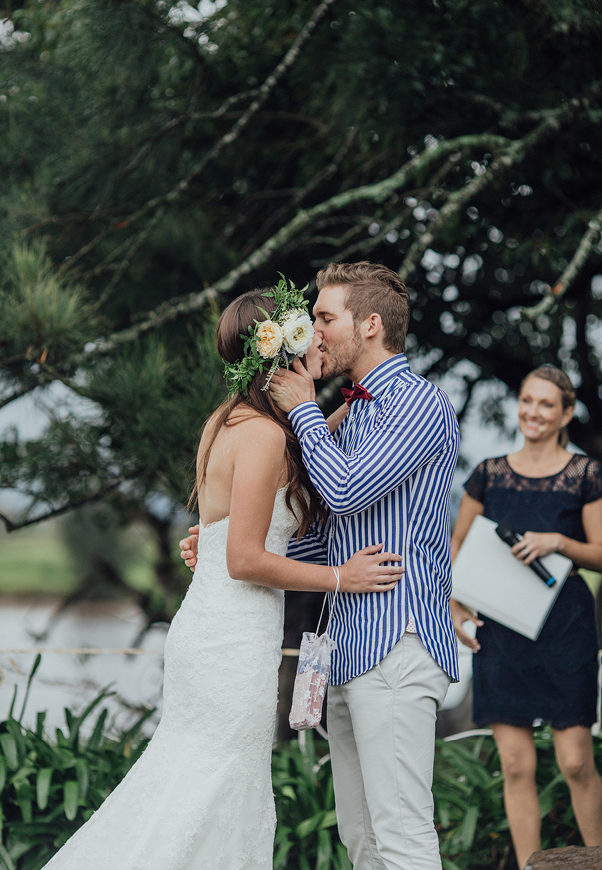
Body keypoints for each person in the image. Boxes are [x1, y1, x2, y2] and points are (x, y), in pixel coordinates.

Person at [41, 282, 403, 870]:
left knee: (195, 790)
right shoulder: (260, 435)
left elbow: (233, 524)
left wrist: (326, 408)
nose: (317, 336)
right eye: (305, 328)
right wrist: (342, 578)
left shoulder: (232, 421)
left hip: (218, 630)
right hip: (231, 639)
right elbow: (244, 558)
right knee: (208, 794)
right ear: (281, 350)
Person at [264, 261, 460, 870]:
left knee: (401, 835)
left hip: (398, 646)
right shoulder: (353, 416)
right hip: (347, 649)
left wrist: (302, 409)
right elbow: (326, 537)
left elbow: (345, 490)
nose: (314, 333)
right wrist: (231, 550)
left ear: (371, 324)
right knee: (362, 838)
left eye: (326, 318)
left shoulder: (419, 403)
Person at [450, 364, 602, 870]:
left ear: (565, 413)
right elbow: (456, 546)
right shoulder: (489, 473)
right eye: (527, 401)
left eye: (545, 404)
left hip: (566, 632)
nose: (532, 412)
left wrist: (560, 542)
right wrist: (453, 605)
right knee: (516, 766)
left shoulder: (585, 474)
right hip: (501, 634)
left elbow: (601, 552)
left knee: (577, 761)